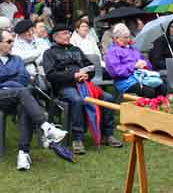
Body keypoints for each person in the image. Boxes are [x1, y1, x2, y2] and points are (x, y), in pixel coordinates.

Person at [0, 29, 67, 170]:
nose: (12, 44)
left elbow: (24, 78)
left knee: (24, 104)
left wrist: (6, 79)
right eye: (9, 41)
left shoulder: (16, 59)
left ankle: (23, 153)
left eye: (12, 41)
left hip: (17, 95)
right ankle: (46, 126)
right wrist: (12, 78)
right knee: (23, 91)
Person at [42, 24, 122, 155]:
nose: (68, 36)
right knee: (77, 100)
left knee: (108, 98)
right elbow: (51, 75)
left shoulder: (76, 50)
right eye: (64, 33)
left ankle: (107, 134)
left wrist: (86, 75)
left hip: (85, 84)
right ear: (55, 37)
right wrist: (73, 76)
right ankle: (77, 138)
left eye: (68, 33)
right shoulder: (49, 53)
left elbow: (90, 66)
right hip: (64, 87)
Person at [105, 23, 165, 98]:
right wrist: (134, 66)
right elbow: (116, 72)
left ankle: (160, 104)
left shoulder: (133, 49)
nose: (128, 40)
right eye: (125, 38)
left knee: (162, 86)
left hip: (141, 77)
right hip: (125, 82)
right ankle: (149, 105)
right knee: (149, 91)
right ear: (116, 38)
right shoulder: (113, 52)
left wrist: (145, 64)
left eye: (128, 37)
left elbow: (148, 64)